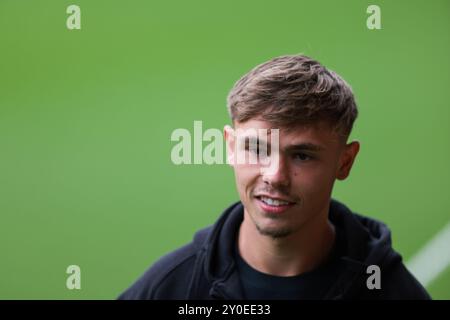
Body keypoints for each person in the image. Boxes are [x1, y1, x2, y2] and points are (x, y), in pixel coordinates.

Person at [119, 54, 430, 300]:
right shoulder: (170, 288)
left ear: (344, 162)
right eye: (256, 149)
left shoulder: (392, 291)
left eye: (302, 155)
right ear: (230, 147)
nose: (275, 176)